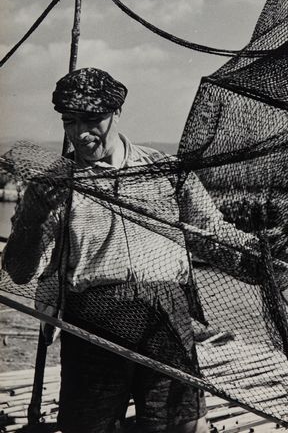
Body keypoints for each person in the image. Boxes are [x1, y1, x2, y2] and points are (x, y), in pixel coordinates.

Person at [3, 67, 257, 433]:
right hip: (92, 319)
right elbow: (21, 271)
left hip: (166, 313)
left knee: (178, 424)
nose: (80, 133)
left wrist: (257, 252)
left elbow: (211, 235)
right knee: (91, 426)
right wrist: (34, 217)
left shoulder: (166, 172)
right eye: (69, 121)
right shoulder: (53, 185)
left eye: (92, 119)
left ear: (116, 113)